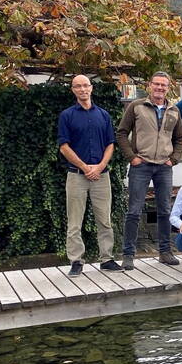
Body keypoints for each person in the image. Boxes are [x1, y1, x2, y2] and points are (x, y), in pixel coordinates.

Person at [117, 71, 182, 269]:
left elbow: (179, 138)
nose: (160, 88)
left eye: (164, 85)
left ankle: (165, 252)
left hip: (164, 166)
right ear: (150, 85)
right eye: (157, 84)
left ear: (168, 87)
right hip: (142, 165)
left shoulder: (174, 110)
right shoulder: (136, 106)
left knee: (165, 210)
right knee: (134, 211)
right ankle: (128, 254)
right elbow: (122, 133)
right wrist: (132, 157)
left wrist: (173, 159)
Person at [58, 75, 122, 276]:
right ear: (73, 90)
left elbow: (110, 144)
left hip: (102, 176)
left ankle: (107, 259)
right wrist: (85, 167)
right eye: (78, 86)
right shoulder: (67, 116)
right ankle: (76, 261)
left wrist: (101, 165)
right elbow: (63, 147)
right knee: (75, 221)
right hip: (77, 175)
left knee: (104, 220)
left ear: (91, 88)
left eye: (86, 85)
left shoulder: (103, 115)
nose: (82, 89)